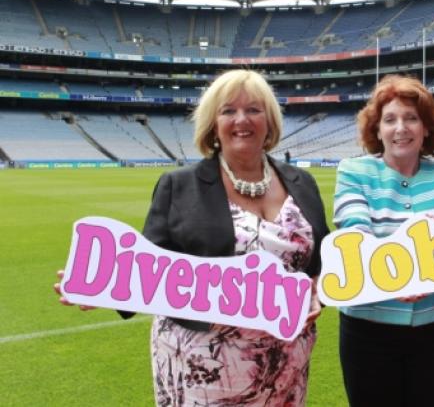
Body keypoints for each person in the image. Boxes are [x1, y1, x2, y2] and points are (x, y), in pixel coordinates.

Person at [55, 69, 330, 406]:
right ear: (213, 125)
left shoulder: (302, 183)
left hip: (287, 364)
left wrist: (319, 290)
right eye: (228, 111)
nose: (241, 119)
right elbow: (149, 267)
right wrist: (103, 286)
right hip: (203, 367)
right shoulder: (179, 186)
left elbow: (321, 264)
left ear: (270, 121)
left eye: (253, 110)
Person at [333, 75, 434, 407]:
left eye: (411, 118)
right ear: (377, 129)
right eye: (390, 119)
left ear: (426, 128)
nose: (401, 128)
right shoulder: (353, 171)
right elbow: (355, 233)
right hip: (368, 330)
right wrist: (417, 245)